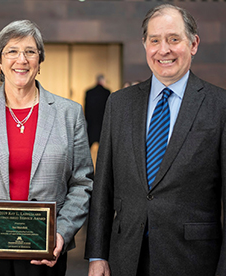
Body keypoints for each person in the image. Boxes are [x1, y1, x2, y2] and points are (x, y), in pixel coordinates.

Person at [85, 4, 226, 276]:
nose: (164, 50)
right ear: (144, 45)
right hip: (125, 259)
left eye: (174, 39)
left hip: (193, 262)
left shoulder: (219, 106)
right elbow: (103, 187)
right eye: (155, 40)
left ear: (194, 43)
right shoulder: (119, 104)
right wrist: (96, 254)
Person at [0, 19, 93, 276]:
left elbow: (83, 183)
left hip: (45, 254)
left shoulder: (69, 114)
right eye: (12, 51)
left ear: (40, 60)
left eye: (30, 51)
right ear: (0, 61)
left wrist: (61, 233)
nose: (21, 59)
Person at [84, 74, 110, 148]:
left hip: (91, 123)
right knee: (104, 149)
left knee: (88, 148)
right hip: (102, 123)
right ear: (103, 81)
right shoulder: (106, 92)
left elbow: (86, 108)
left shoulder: (89, 92)